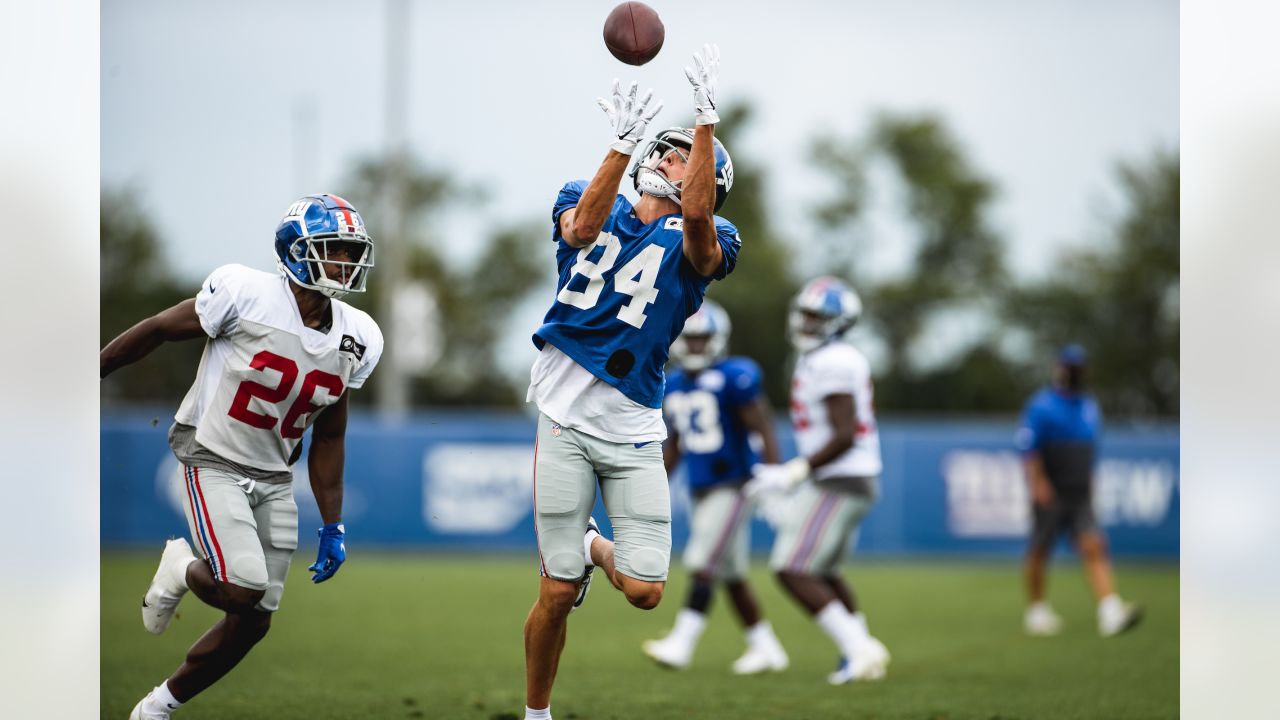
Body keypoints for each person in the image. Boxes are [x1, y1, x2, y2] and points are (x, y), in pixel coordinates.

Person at [101, 194, 383, 720]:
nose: (345, 262)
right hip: (213, 456)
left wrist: (333, 524)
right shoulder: (246, 293)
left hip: (274, 475)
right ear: (296, 252)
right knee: (240, 588)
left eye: (350, 251)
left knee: (253, 621)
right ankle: (180, 566)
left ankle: (156, 708)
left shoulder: (359, 335)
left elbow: (329, 436)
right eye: (334, 250)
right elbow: (162, 327)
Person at [522, 44, 740, 720]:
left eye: (685, 155)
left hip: (634, 428)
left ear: (704, 174)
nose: (669, 156)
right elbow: (581, 227)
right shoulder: (588, 198)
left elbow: (699, 225)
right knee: (557, 593)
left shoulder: (712, 233)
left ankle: (591, 543)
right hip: (562, 413)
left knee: (645, 590)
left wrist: (705, 119)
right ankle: (537, 715)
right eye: (667, 148)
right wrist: (617, 146)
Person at [745, 276, 891, 685]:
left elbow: (844, 434)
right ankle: (863, 650)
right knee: (823, 569)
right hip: (847, 478)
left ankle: (859, 650)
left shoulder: (835, 361)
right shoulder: (823, 358)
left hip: (841, 479)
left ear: (840, 322)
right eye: (806, 315)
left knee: (792, 568)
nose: (808, 324)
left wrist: (795, 471)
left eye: (818, 317)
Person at [642, 300, 789, 674]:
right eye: (689, 339)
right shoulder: (672, 383)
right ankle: (766, 647)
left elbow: (763, 427)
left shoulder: (733, 375)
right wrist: (652, 485)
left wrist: (773, 476)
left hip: (736, 483)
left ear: (717, 340)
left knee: (703, 560)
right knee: (732, 574)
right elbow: (673, 443)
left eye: (702, 339)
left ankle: (682, 643)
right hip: (702, 486)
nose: (695, 346)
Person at [1017, 344, 1143, 637]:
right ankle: (1036, 610)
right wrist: (1038, 484)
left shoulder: (1089, 405)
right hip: (1051, 488)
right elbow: (1029, 449)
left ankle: (1110, 611)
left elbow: (1089, 450)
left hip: (1080, 491)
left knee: (1094, 545)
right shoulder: (1042, 405)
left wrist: (1091, 483)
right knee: (1040, 550)